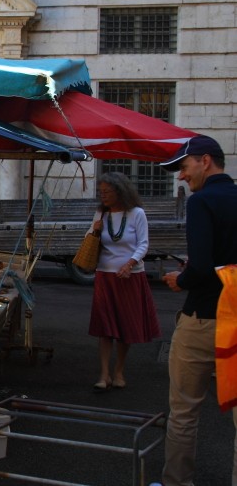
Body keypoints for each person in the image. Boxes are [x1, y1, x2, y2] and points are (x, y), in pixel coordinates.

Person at [159, 135, 237, 486]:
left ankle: (178, 482)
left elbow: (202, 267)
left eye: (184, 167)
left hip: (205, 318)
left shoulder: (201, 202)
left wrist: (182, 278)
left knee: (184, 411)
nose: (180, 176)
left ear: (205, 161)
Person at [87, 171, 160, 392]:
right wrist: (95, 232)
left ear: (120, 191)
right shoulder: (101, 214)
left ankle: (119, 371)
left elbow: (143, 244)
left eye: (107, 192)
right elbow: (89, 241)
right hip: (105, 275)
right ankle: (104, 374)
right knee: (105, 327)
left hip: (130, 276)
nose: (104, 196)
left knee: (125, 326)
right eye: (101, 192)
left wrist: (129, 264)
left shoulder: (136, 213)